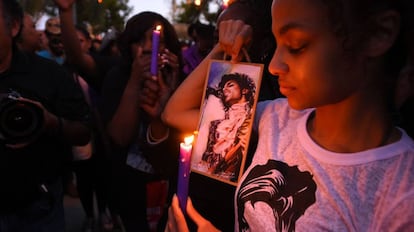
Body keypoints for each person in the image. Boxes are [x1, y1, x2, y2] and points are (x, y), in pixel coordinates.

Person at [164, 0, 414, 231]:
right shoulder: (277, 118)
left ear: (378, 34)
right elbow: (176, 112)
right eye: (277, 44)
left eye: (296, 45)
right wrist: (222, 48)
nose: (274, 65)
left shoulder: (401, 193)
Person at [163, 0, 281, 231]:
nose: (227, 41)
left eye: (235, 34)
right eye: (219, 37)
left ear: (265, 41)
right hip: (199, 203)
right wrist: (220, 50)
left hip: (233, 212)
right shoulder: (217, 87)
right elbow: (173, 113)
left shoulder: (273, 104)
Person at [0, 0, 91, 231]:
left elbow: (83, 131)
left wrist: (50, 123)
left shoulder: (49, 74)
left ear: (13, 26)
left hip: (38, 205)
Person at [100, 11, 184, 232]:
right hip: (130, 186)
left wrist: (174, 89)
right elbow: (120, 137)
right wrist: (135, 81)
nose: (149, 48)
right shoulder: (117, 77)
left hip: (168, 184)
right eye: (140, 41)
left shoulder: (179, 79)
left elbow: (179, 138)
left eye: (159, 41)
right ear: (128, 46)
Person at [195, 73, 256, 182]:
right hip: (208, 181)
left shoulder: (253, 117)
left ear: (244, 90)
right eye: (223, 87)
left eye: (230, 85)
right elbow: (206, 160)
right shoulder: (215, 125)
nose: (224, 89)